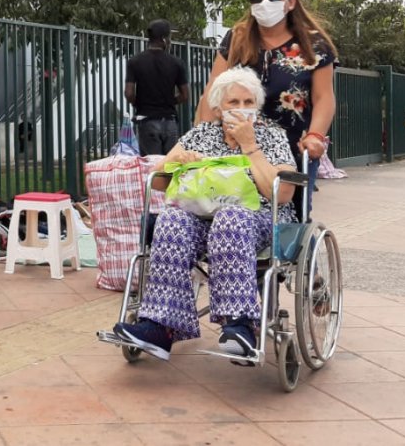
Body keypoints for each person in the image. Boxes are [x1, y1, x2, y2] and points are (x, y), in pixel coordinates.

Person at [113, 67, 297, 363]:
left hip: (261, 218)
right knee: (172, 220)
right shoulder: (201, 134)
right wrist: (179, 162)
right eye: (233, 103)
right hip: (202, 219)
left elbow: (282, 193)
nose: (241, 109)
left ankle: (240, 325)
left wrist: (250, 146)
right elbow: (157, 181)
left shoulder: (271, 136)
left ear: (257, 106)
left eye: (248, 103)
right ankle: (160, 327)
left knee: (229, 218)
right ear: (218, 108)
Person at [196, 0, 337, 213]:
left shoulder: (314, 44)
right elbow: (214, 89)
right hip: (236, 144)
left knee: (294, 215)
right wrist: (202, 136)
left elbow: (323, 97)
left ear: (290, 2)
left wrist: (315, 136)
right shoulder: (237, 38)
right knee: (228, 207)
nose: (264, 3)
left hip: (292, 147)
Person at [125, 19, 189, 155]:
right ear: (164, 39)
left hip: (147, 121)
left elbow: (129, 93)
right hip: (170, 121)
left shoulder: (135, 62)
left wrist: (139, 103)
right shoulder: (177, 63)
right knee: (170, 167)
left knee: (152, 168)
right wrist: (171, 101)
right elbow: (185, 95)